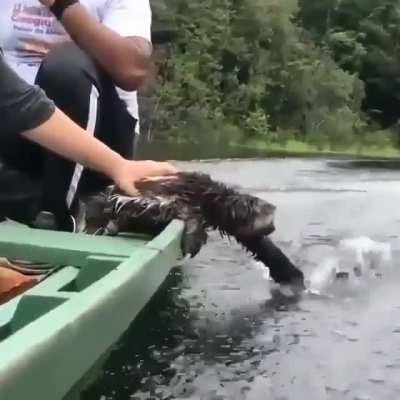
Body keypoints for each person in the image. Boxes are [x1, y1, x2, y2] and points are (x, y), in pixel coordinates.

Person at [0, 0, 153, 230]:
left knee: (65, 67)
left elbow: (131, 70)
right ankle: (24, 201)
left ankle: (57, 217)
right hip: (21, 122)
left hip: (98, 138)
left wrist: (60, 4)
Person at [0, 55, 177, 229]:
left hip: (96, 126)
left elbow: (22, 105)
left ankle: (60, 216)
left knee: (66, 68)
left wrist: (119, 166)